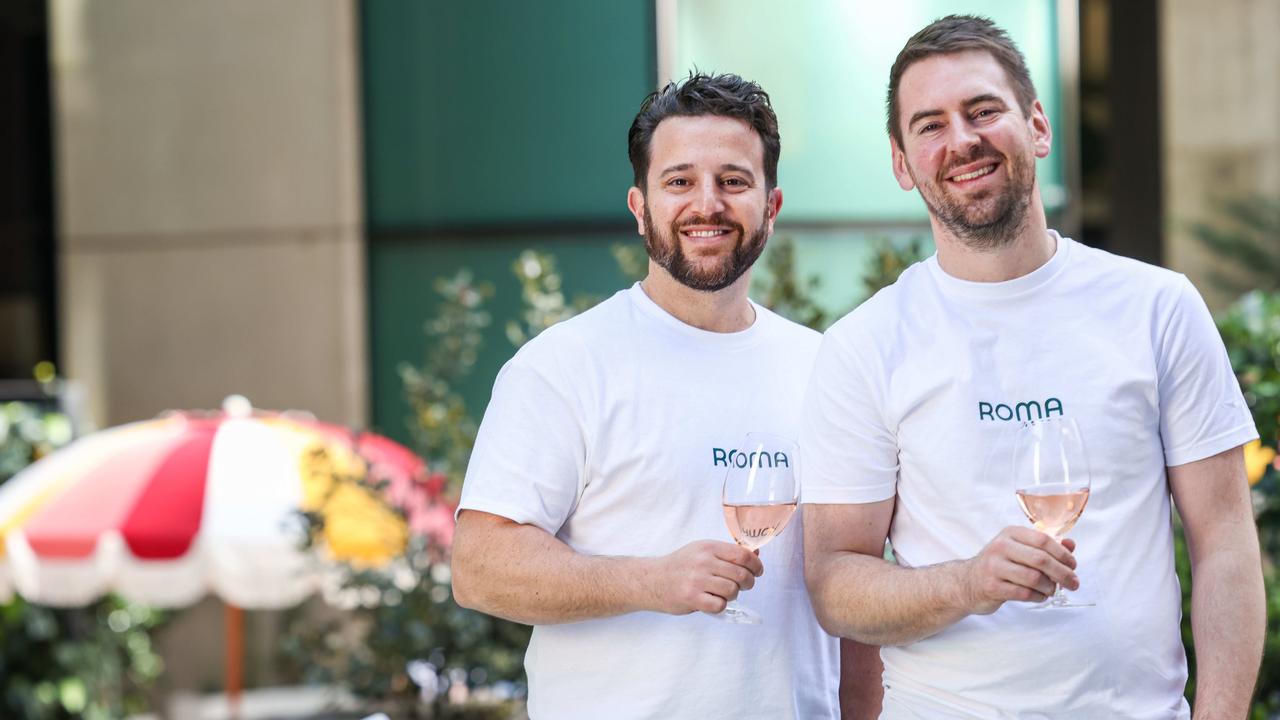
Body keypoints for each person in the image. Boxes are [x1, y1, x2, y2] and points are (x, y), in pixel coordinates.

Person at [800, 15, 1265, 720]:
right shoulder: (865, 345)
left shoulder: (1156, 308)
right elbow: (834, 584)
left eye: (983, 110)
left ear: (1038, 127)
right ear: (901, 163)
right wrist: (968, 583)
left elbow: (1226, 543)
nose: (961, 139)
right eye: (929, 125)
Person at [450, 72, 840, 719]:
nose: (707, 204)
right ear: (640, 207)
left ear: (770, 207)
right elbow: (479, 567)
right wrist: (650, 580)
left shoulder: (824, 366)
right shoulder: (564, 366)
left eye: (734, 181)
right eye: (680, 181)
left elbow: (849, 582)